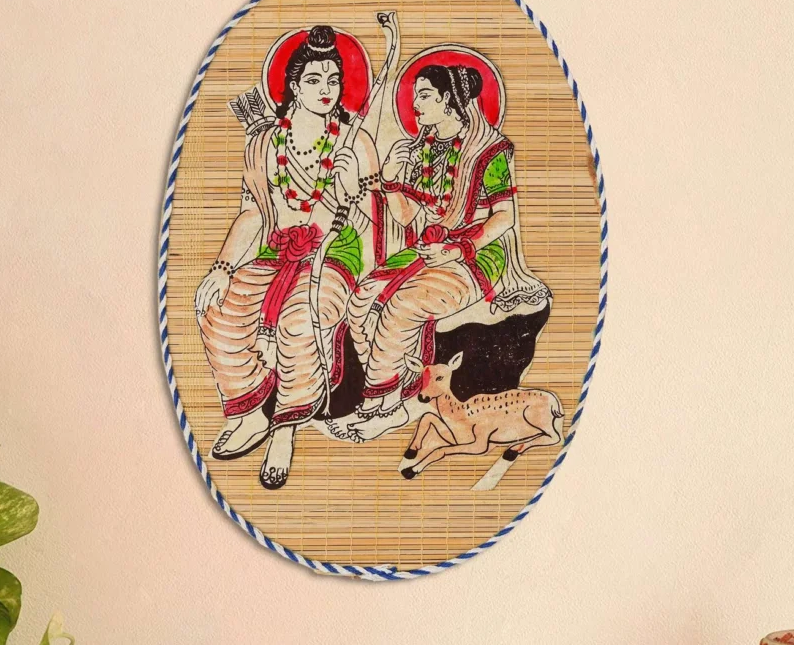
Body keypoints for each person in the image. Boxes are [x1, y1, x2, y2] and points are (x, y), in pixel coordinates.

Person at [196, 26, 379, 489]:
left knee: (300, 319)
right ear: (294, 86)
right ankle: (252, 412)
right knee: (217, 309)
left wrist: (353, 188)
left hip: (334, 250)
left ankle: (285, 428)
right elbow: (253, 213)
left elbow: (380, 219)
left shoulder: (354, 142)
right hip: (276, 250)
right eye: (314, 80)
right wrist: (222, 268)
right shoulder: (264, 144)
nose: (326, 90)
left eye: (333, 80)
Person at [344, 62, 549, 442]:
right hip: (428, 249)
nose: (415, 104)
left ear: (449, 101)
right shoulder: (420, 149)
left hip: (478, 254)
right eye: (414, 96)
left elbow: (504, 217)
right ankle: (386, 395)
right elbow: (407, 216)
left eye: (424, 95)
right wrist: (388, 182)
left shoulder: (487, 150)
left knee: (401, 307)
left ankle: (386, 406)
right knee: (361, 298)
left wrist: (458, 250)